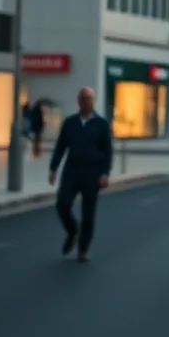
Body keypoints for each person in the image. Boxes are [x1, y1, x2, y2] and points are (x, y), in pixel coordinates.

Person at [48, 87, 113, 263]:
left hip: (92, 173)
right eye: (84, 98)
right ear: (78, 101)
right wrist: (53, 168)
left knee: (88, 213)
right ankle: (72, 230)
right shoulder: (70, 123)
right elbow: (61, 147)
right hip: (72, 170)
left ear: (94, 101)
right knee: (62, 204)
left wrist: (105, 173)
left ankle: (83, 249)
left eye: (90, 98)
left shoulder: (101, 124)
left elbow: (107, 151)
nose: (87, 101)